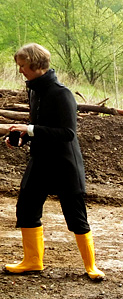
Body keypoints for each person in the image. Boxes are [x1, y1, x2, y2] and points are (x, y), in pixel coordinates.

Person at [3, 43, 104, 280]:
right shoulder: (35, 90)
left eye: (23, 66)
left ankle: (91, 267)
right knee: (26, 209)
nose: (20, 71)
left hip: (64, 164)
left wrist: (30, 128)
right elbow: (40, 128)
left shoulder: (62, 93)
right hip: (40, 160)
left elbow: (68, 133)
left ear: (37, 65)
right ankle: (32, 261)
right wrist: (22, 138)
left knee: (75, 215)